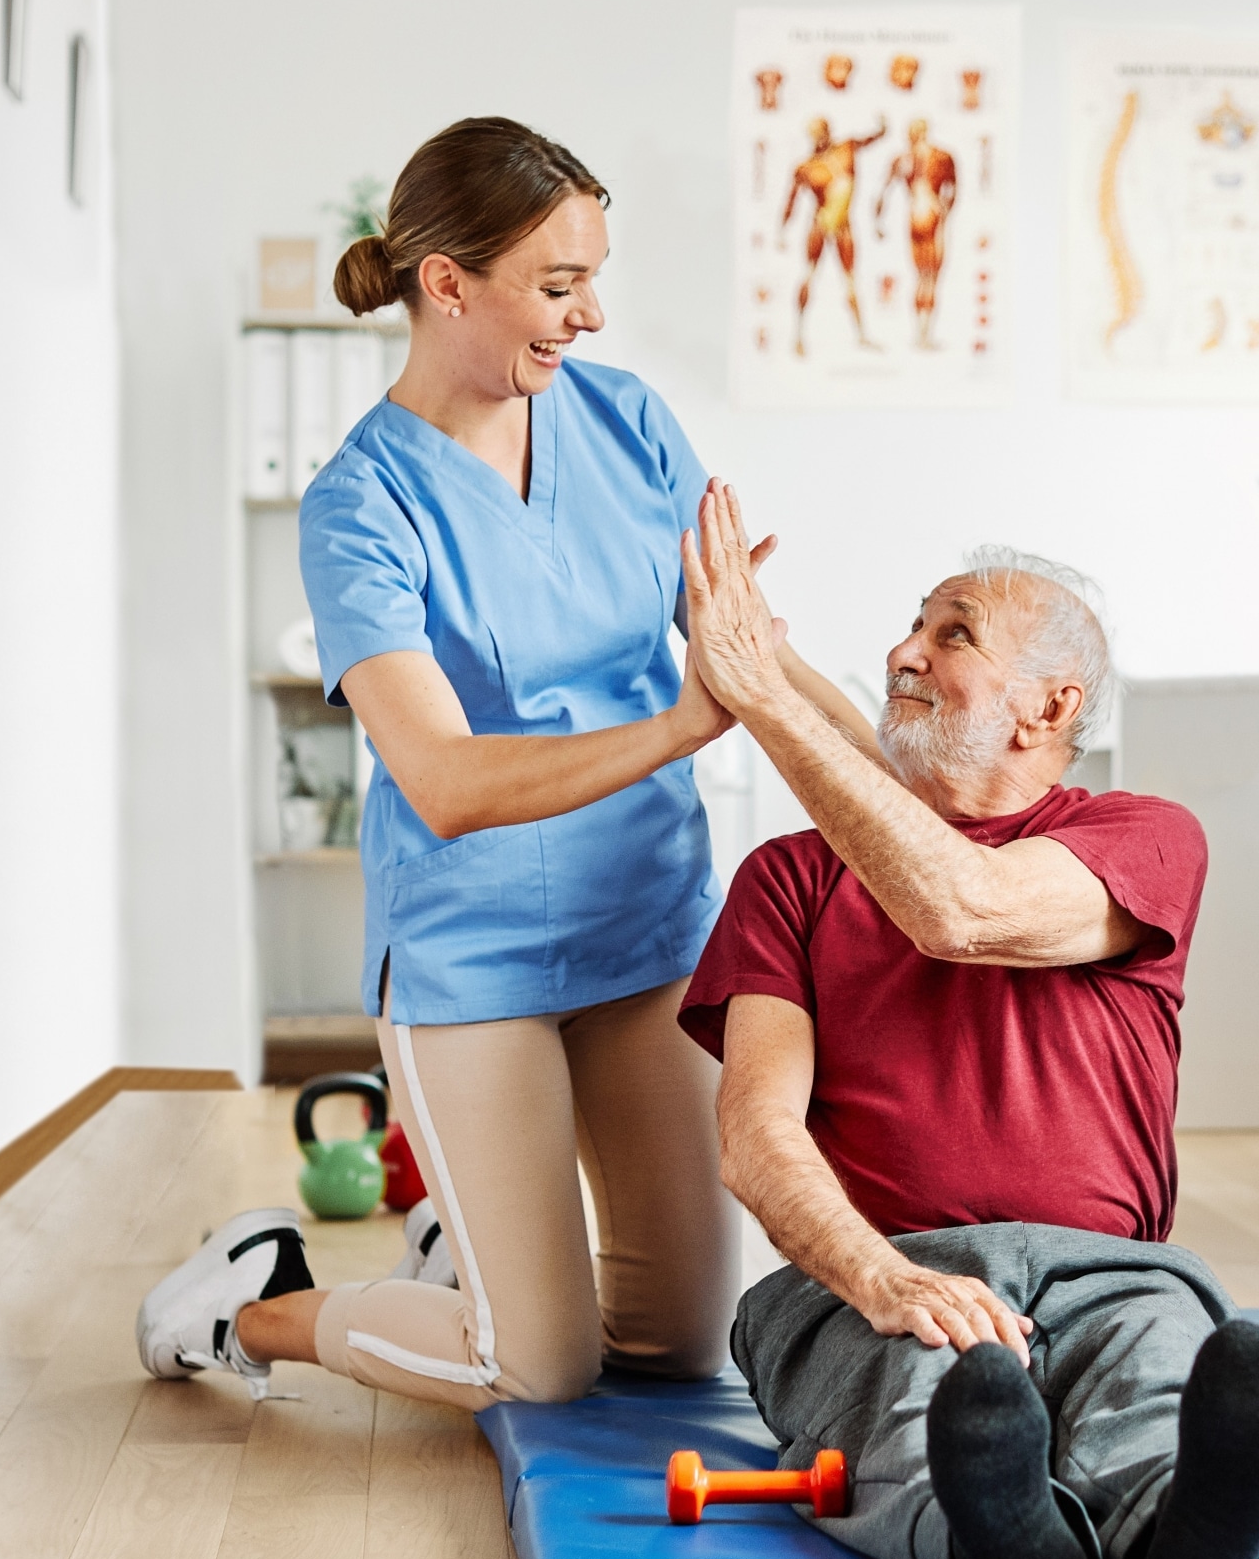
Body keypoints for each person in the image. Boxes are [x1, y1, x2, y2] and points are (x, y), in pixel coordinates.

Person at [136, 118, 873, 1412]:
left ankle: (457, 1248)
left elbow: (746, 648)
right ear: (447, 281)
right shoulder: (361, 503)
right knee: (538, 1360)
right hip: (473, 957)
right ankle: (249, 1303)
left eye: (596, 274)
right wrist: (685, 724)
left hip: (646, 930)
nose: (591, 312)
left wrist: (905, 787)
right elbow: (448, 781)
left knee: (676, 1340)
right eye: (558, 282)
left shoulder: (630, 422)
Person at [672, 490, 1259, 1559]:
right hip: (874, 1275)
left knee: (1154, 1379)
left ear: (1049, 704)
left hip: (1111, 1270)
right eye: (912, 625)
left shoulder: (1141, 836)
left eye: (952, 633)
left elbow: (960, 907)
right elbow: (757, 1135)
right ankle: (1003, 1543)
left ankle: (1187, 1532)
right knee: (926, 1398)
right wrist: (880, 1276)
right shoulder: (788, 878)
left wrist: (766, 688)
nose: (901, 651)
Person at [781, 115, 889, 354]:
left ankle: (862, 335)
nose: (818, 138)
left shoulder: (846, 149)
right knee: (808, 274)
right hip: (820, 224)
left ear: (828, 132)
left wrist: (882, 130)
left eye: (821, 132)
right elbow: (791, 201)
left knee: (850, 279)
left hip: (843, 226)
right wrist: (782, 229)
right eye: (814, 134)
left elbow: (867, 141)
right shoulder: (806, 167)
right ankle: (797, 335)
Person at [874, 116, 958, 349]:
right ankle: (924, 335)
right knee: (930, 277)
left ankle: (920, 335)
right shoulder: (939, 156)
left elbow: (883, 193)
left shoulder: (906, 159)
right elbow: (952, 190)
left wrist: (878, 222)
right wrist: (944, 211)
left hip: (915, 214)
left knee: (922, 277)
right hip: (930, 213)